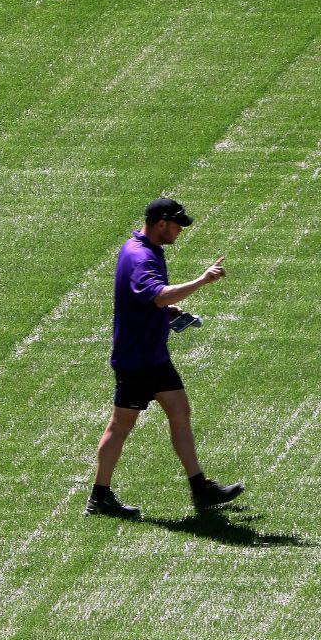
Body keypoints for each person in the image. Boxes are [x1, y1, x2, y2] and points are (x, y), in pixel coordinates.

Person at [86, 197, 245, 519]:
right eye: (176, 225)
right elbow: (157, 295)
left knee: (179, 411)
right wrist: (201, 281)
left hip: (153, 356)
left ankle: (200, 487)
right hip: (137, 360)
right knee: (120, 425)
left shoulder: (141, 248)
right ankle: (99, 497)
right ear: (161, 223)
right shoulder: (141, 257)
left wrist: (169, 311)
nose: (179, 232)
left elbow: (146, 299)